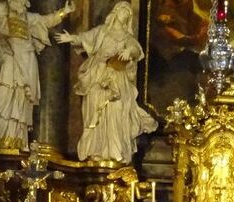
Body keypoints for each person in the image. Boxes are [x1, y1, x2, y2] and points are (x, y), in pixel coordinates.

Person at [55, 1, 157, 163]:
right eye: (123, 11)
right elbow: (84, 38)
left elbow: (136, 49)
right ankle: (96, 150)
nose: (125, 14)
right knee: (94, 108)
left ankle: (115, 151)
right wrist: (71, 38)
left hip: (117, 76)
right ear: (116, 12)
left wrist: (128, 51)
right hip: (98, 73)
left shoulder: (127, 37)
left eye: (128, 13)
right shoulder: (102, 31)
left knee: (117, 109)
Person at [0, 0, 75, 150]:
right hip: (9, 58)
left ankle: (14, 138)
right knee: (2, 95)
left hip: (27, 60)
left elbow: (45, 21)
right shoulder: (1, 9)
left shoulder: (28, 18)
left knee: (21, 99)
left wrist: (64, 12)